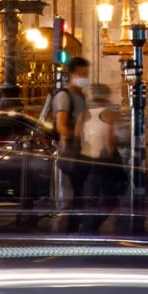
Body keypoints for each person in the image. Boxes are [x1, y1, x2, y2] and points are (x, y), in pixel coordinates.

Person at [41, 57, 93, 232]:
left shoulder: (81, 95)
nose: (85, 77)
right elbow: (62, 127)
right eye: (82, 74)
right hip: (71, 152)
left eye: (86, 74)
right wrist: (78, 135)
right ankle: (71, 228)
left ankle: (76, 227)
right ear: (72, 74)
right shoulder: (64, 96)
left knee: (82, 192)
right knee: (77, 192)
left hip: (83, 151)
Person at [81, 81, 125, 232]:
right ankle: (91, 226)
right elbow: (109, 142)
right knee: (111, 198)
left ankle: (88, 227)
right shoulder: (109, 114)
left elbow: (77, 137)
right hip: (103, 161)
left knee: (91, 198)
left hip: (87, 161)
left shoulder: (84, 114)